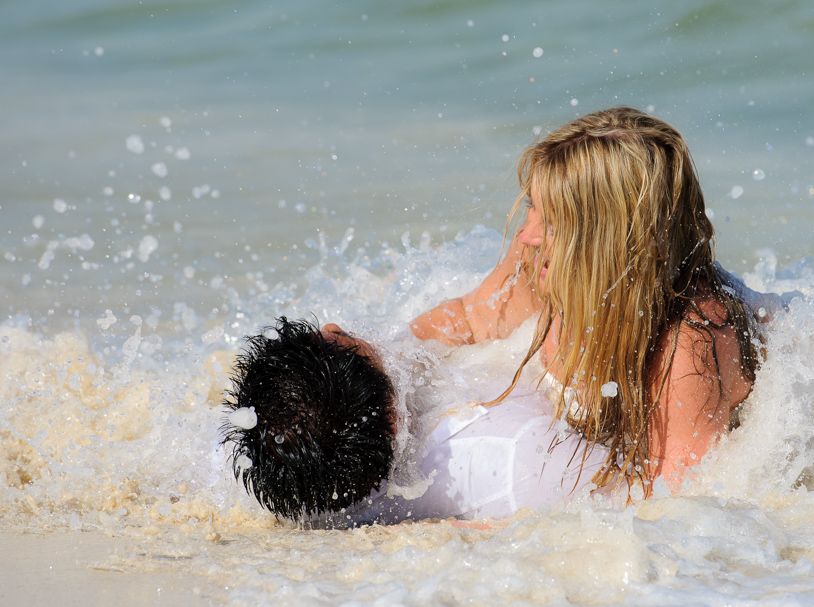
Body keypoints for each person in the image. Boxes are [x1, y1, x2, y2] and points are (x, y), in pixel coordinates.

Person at [408, 106, 770, 492]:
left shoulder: (686, 348)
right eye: (532, 207)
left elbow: (676, 506)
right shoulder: (540, 262)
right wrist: (386, 361)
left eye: (553, 222)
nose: (527, 235)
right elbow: (466, 319)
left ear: (613, 244)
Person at [222, 317, 611, 524]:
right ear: (393, 420)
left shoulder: (269, 461)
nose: (332, 327)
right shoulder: (515, 454)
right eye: (338, 342)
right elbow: (657, 492)